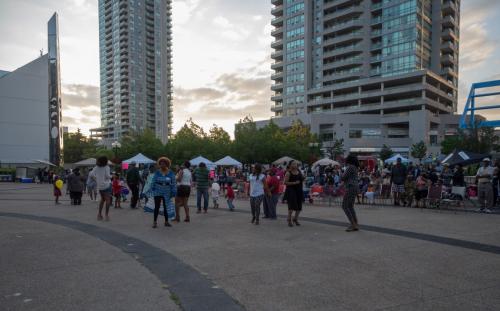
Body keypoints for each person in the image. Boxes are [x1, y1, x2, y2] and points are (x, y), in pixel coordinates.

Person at [150, 157, 177, 228]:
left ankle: (166, 221)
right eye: (161, 164)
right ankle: (155, 222)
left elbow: (173, 182)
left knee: (166, 207)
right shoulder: (157, 172)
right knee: (157, 206)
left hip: (167, 191)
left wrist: (174, 191)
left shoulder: (171, 172)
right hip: (158, 190)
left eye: (164, 164)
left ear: (167, 164)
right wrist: (152, 187)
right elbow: (153, 180)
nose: (162, 165)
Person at [90, 156, 112, 221]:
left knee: (102, 200)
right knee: (108, 200)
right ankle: (106, 215)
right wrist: (112, 176)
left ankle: (99, 214)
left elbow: (91, 175)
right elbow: (108, 176)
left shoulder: (96, 168)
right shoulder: (107, 167)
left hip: (100, 186)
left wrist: (97, 179)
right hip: (107, 185)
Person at [341, 154, 360, 232]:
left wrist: (342, 174)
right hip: (355, 187)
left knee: (345, 206)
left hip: (350, 187)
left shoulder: (350, 167)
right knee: (350, 206)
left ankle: (352, 224)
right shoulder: (355, 168)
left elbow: (343, 177)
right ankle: (355, 223)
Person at [284, 160, 304, 227]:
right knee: (291, 206)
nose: (295, 165)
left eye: (295, 164)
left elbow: (301, 179)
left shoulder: (299, 171)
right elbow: (285, 182)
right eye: (293, 164)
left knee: (299, 206)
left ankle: (295, 219)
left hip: (299, 190)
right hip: (291, 190)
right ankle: (289, 219)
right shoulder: (288, 173)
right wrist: (294, 183)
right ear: (290, 165)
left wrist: (304, 178)